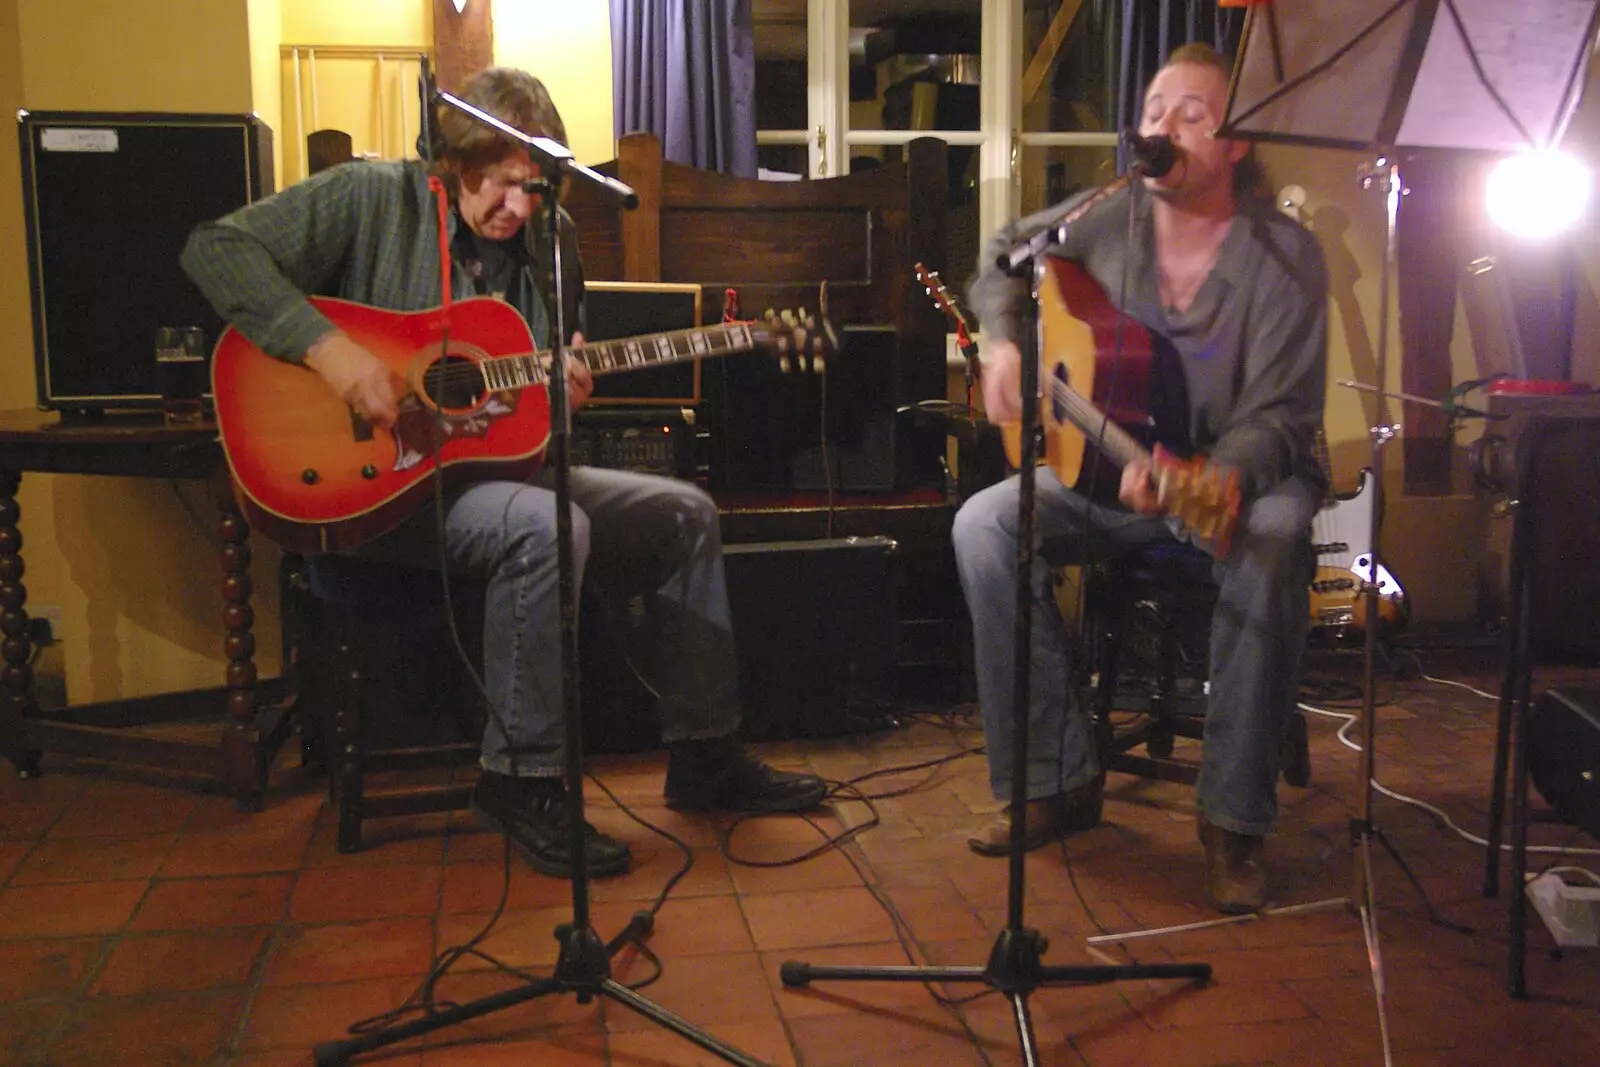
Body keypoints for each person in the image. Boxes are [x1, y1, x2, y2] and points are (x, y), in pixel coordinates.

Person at [182, 67, 828, 879]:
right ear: (456, 162)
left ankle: (706, 754)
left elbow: (531, 397)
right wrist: (333, 353)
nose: (520, 209)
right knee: (548, 527)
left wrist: (567, 394)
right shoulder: (371, 197)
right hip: (375, 495)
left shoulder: (550, 239)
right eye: (505, 186)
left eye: (536, 189)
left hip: (490, 477)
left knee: (684, 513)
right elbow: (214, 248)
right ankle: (520, 780)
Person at [954, 42, 1327, 913]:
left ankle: (1234, 821)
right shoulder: (1106, 217)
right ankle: (1054, 777)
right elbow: (1003, 255)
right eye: (1155, 110)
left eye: (1191, 113)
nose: (1163, 127)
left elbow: (1282, 416)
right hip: (1109, 475)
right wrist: (1004, 340)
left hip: (1241, 479)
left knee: (1271, 543)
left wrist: (1209, 474)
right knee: (985, 526)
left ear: (1235, 143)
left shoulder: (1284, 257)